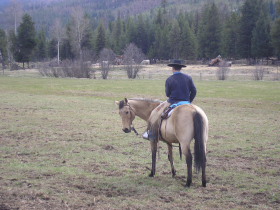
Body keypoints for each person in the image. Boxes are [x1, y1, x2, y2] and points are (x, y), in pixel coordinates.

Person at [143, 59, 197, 141]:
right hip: (186, 102)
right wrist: (189, 101)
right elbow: (194, 91)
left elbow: (167, 94)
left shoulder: (169, 79)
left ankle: (152, 133)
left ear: (173, 68)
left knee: (155, 113)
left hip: (172, 102)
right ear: (181, 68)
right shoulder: (188, 78)